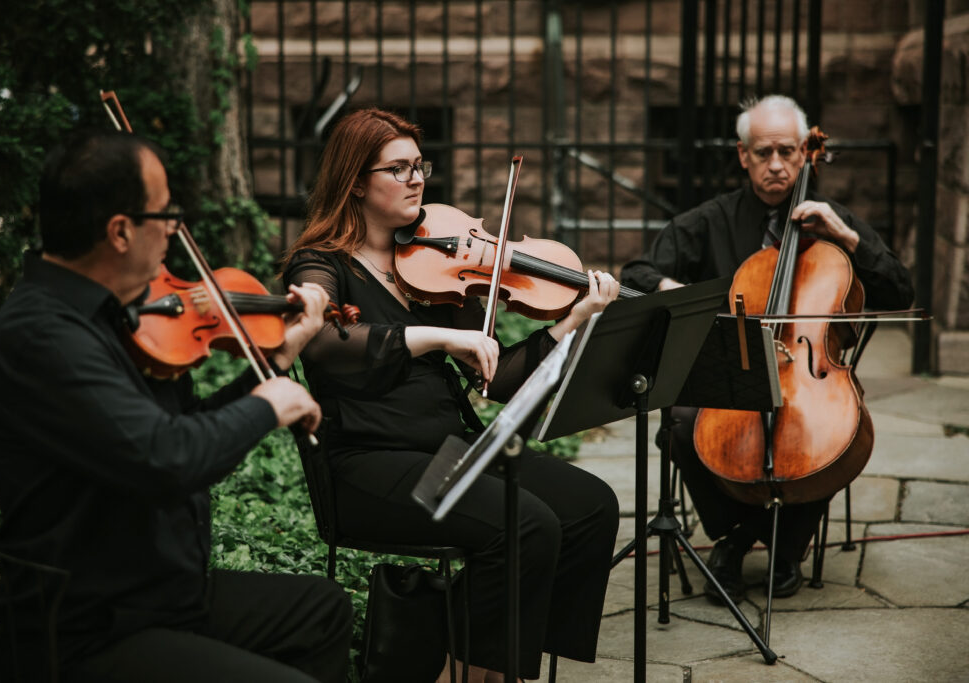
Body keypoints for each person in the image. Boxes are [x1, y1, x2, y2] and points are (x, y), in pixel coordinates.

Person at [0, 129, 352, 682]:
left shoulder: (111, 317)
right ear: (121, 232)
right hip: (86, 627)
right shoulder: (43, 336)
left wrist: (279, 358)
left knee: (320, 610)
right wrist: (268, 406)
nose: (176, 227)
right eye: (165, 212)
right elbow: (168, 459)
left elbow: (181, 429)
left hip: (155, 595)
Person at [281, 108, 621, 682]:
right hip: (369, 463)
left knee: (591, 506)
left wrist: (575, 320)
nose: (417, 179)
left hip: (449, 453)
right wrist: (435, 335)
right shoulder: (321, 265)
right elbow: (319, 338)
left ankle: (509, 665)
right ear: (357, 181)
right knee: (524, 524)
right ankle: (456, 675)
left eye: (420, 165)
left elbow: (500, 379)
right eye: (399, 168)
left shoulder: (439, 266)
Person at [621, 95, 914, 604]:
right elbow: (638, 273)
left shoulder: (832, 220)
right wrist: (676, 292)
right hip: (728, 372)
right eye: (763, 153)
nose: (776, 164)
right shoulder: (710, 220)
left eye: (786, 151)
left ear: (805, 153)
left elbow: (898, 293)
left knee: (829, 434)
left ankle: (776, 545)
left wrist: (845, 237)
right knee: (681, 427)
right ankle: (739, 536)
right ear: (743, 156)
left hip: (810, 375)